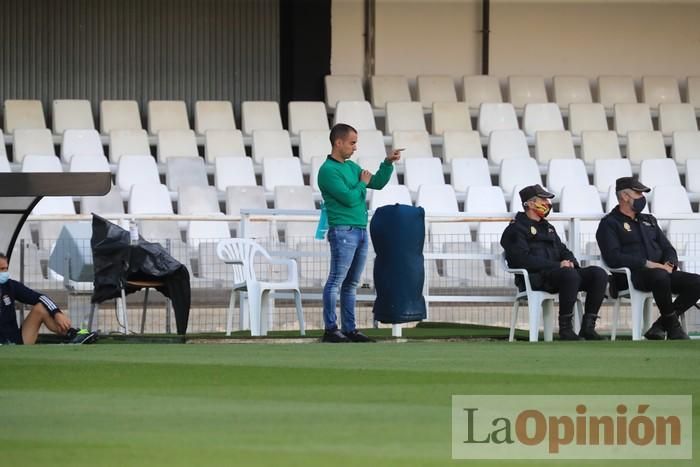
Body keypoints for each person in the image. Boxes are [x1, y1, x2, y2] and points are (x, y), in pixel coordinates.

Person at [317, 123, 401, 343]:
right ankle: (330, 328)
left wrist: (387, 164)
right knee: (336, 280)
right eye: (352, 143)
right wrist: (362, 184)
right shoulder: (327, 171)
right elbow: (349, 197)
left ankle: (349, 329)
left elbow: (378, 183)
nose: (355, 148)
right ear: (338, 142)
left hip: (360, 230)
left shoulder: (351, 167)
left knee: (351, 283)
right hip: (343, 230)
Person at [500, 185, 608, 340]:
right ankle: (565, 329)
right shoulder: (515, 229)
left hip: (560, 274)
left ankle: (588, 328)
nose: (547, 203)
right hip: (536, 278)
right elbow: (521, 259)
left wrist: (570, 261)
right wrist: (558, 265)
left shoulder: (548, 227)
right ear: (530, 204)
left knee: (598, 274)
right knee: (570, 275)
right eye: (543, 199)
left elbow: (564, 250)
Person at [596, 177, 694, 340]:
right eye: (638, 193)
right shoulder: (609, 223)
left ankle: (661, 325)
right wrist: (650, 265)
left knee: (696, 282)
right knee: (660, 276)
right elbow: (613, 258)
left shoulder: (649, 220)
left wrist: (670, 262)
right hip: (633, 275)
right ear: (625, 197)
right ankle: (673, 327)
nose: (642, 198)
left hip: (661, 273)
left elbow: (668, 247)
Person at [0, 252, 97, 345]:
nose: (4, 272)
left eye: (6, 269)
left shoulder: (10, 286)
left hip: (15, 340)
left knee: (41, 308)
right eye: (1, 269)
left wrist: (57, 313)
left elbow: (41, 297)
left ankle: (72, 334)